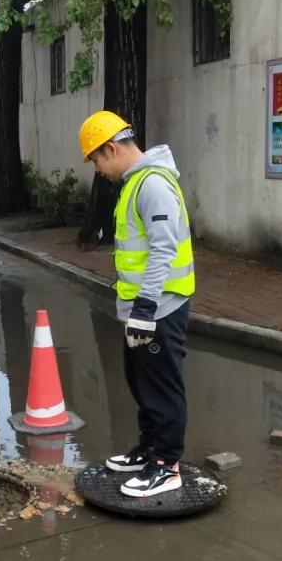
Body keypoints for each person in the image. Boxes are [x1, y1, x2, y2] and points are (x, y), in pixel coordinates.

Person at [78, 111, 195, 498]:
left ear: (112, 148)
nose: (98, 170)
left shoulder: (153, 185)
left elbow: (162, 249)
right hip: (142, 310)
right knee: (140, 382)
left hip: (159, 309)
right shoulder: (135, 183)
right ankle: (149, 449)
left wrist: (145, 309)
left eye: (96, 160)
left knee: (162, 387)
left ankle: (166, 465)